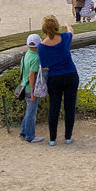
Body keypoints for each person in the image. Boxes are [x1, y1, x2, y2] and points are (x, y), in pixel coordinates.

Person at [37, 15, 78, 146]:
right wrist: (67, 25)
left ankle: (52, 138)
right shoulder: (65, 38)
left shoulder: (41, 47)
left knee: (54, 108)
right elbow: (71, 32)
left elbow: (45, 66)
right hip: (70, 74)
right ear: (56, 26)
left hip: (54, 77)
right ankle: (68, 136)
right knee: (69, 107)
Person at [19, 35, 44, 143]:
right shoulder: (35, 58)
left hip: (24, 86)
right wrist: (34, 91)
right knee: (31, 113)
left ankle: (23, 131)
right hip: (30, 88)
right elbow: (31, 75)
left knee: (29, 111)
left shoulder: (26, 55)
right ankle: (30, 136)